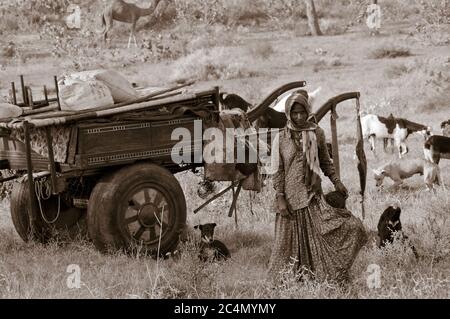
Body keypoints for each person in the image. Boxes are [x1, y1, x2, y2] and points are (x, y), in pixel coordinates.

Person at [268, 91, 367, 284]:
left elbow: (325, 162)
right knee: (285, 246)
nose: (299, 117)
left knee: (351, 227)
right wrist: (280, 197)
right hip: (289, 201)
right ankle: (286, 283)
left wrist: (336, 181)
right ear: (288, 113)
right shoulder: (281, 139)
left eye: (302, 112)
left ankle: (326, 277)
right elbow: (277, 171)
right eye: (295, 113)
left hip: (313, 196)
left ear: (307, 111)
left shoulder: (317, 133)